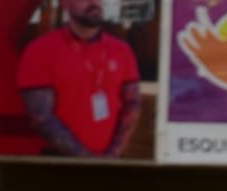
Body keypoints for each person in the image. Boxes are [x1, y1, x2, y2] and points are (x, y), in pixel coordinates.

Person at [16, 0, 141, 157]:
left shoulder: (122, 50)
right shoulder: (40, 50)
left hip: (108, 160)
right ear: (65, 4)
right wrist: (86, 160)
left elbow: (132, 104)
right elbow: (41, 117)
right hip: (59, 161)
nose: (94, 2)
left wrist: (112, 155)